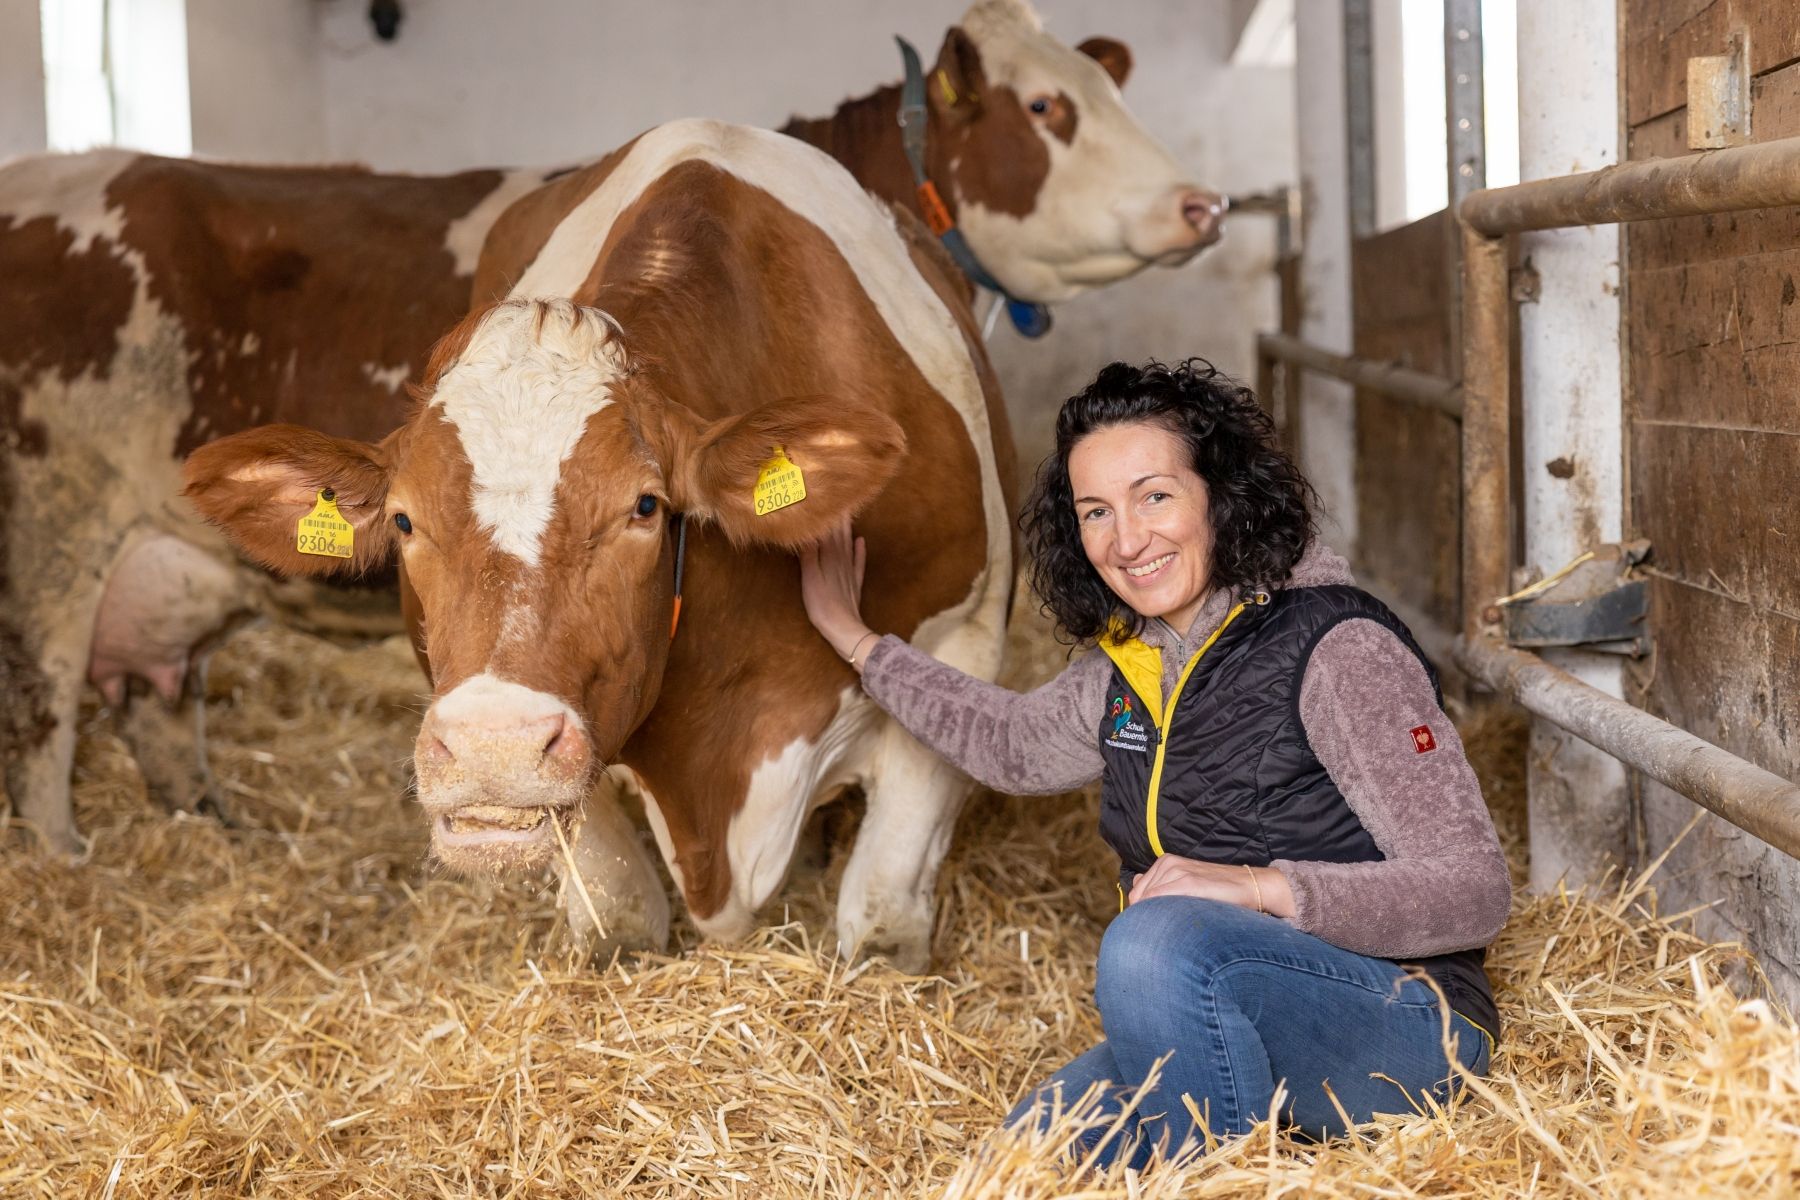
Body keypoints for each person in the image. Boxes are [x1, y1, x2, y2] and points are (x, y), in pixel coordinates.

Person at [798, 359, 1512, 1166]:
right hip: (1222, 997)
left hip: (1405, 1024)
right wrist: (859, 644)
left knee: (1151, 943)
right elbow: (1012, 745)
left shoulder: (1337, 648)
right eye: (1095, 511)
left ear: (1223, 494)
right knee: (1028, 1158)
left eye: (1155, 496)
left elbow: (1474, 889)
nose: (1126, 540)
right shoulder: (1131, 662)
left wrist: (1253, 889)